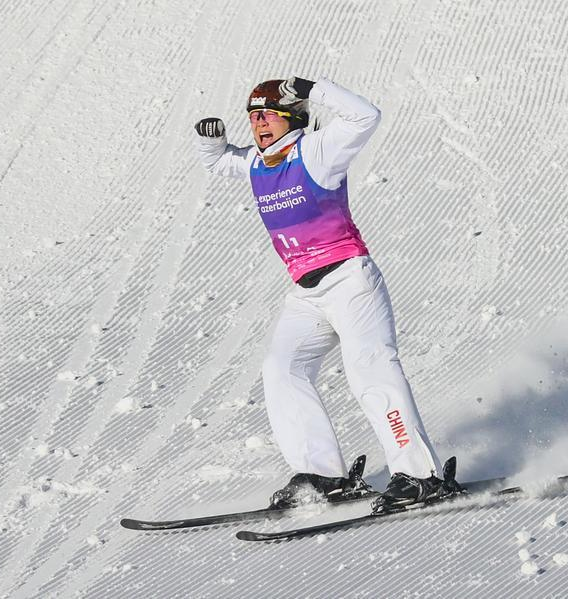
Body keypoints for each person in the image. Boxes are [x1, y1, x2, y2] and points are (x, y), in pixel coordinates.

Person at [194, 77, 455, 513]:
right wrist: (212, 142)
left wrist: (313, 89)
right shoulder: (258, 163)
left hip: (351, 283)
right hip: (306, 293)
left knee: (370, 372)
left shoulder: (316, 151)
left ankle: (421, 476)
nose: (258, 124)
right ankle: (323, 476)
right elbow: (220, 162)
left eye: (267, 116)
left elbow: (365, 116)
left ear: (291, 118)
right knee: (283, 368)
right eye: (252, 117)